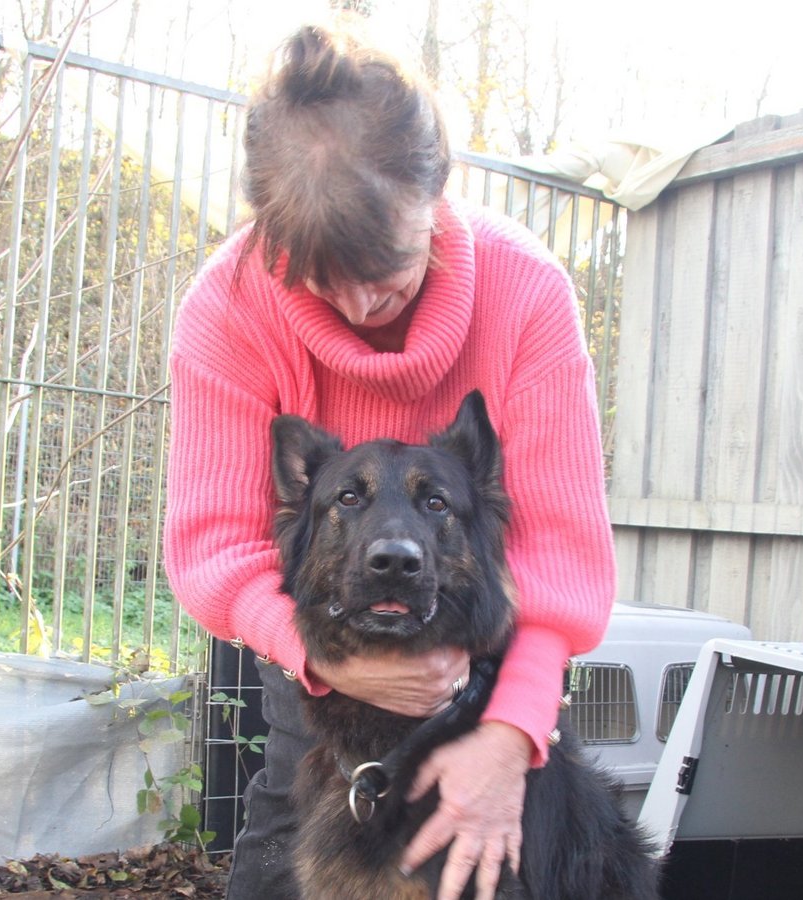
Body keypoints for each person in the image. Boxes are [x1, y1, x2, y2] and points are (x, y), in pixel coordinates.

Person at [162, 22, 615, 900]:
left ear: (440, 188)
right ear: (270, 236)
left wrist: (507, 738)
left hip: (488, 656)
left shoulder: (528, 297)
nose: (364, 303)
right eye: (323, 276)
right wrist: (319, 655)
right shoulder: (227, 310)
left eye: (389, 264)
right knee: (285, 855)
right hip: (315, 647)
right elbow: (214, 549)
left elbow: (560, 561)